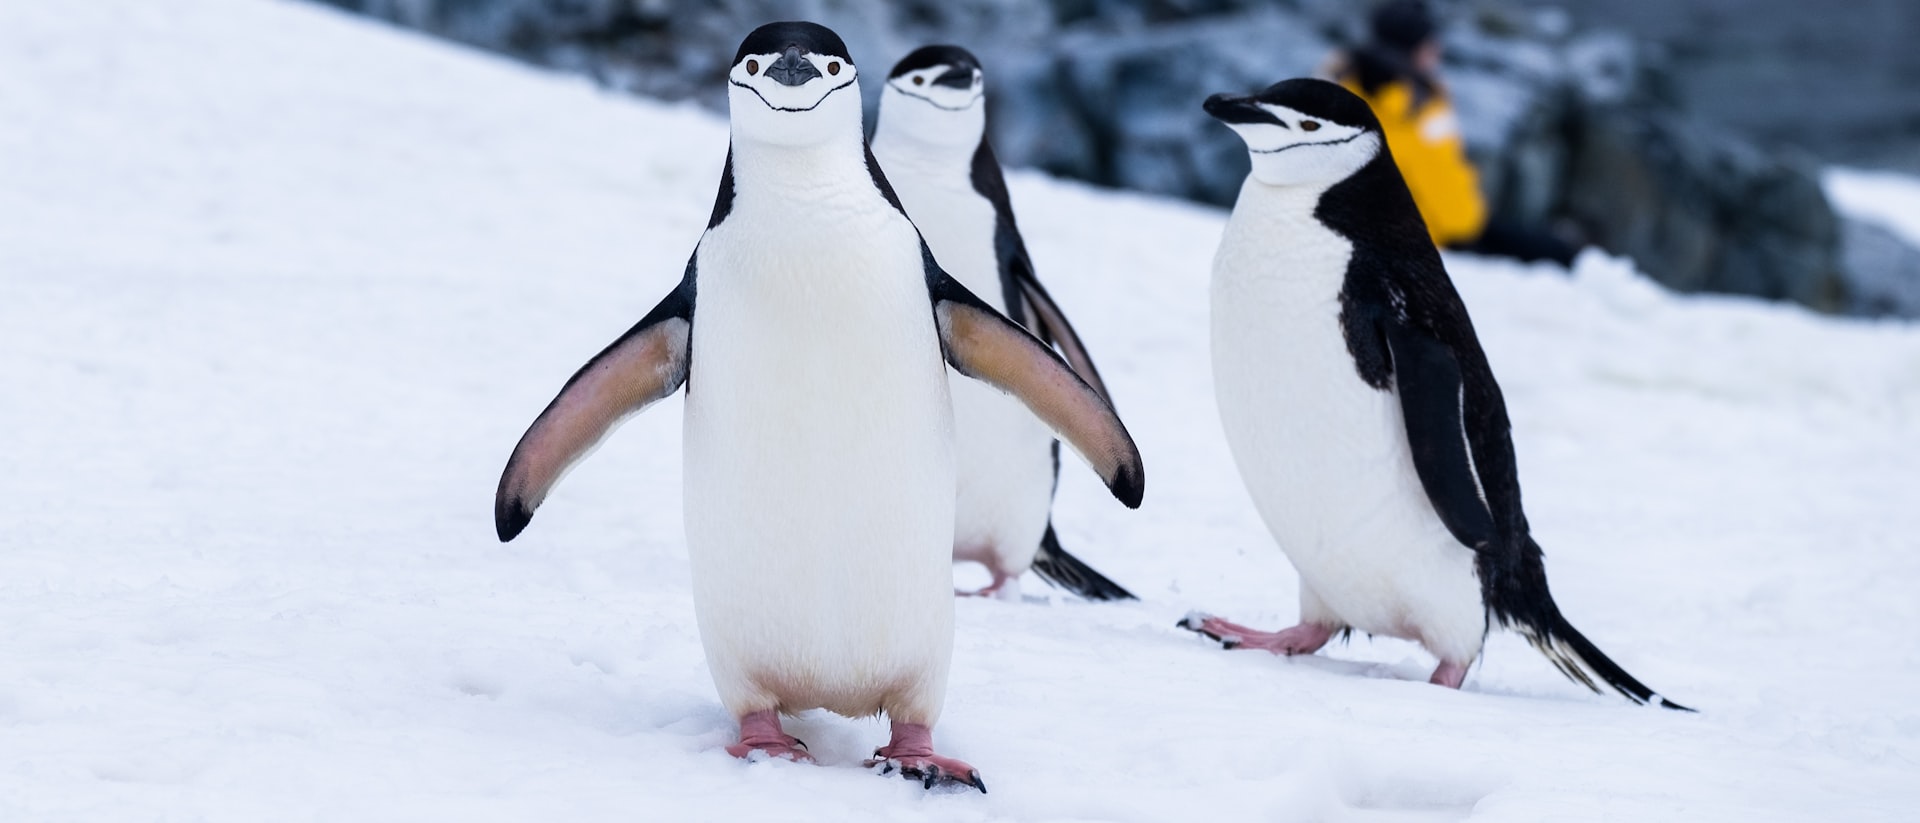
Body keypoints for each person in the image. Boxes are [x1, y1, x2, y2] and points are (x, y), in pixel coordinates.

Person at [1324, 0, 1578, 266]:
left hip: (1440, 225)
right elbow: (1437, 193)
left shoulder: (1406, 94)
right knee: (1548, 252)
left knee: (1545, 245)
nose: (1437, 50)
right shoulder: (1399, 105)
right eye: (1428, 43)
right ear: (1408, 49)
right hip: (1430, 235)